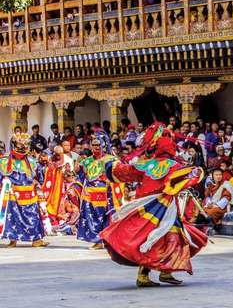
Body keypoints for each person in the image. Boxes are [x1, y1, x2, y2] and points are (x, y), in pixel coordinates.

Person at [99, 123, 207, 287]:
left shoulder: (145, 164)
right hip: (161, 207)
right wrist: (196, 171)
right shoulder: (173, 165)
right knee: (165, 238)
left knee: (154, 237)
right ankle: (147, 274)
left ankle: (164, 271)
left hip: (149, 207)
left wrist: (111, 163)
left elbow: (123, 172)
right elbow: (187, 177)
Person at [0, 133, 49, 247]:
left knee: (33, 216)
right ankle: (13, 239)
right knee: (12, 218)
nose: (22, 148)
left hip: (30, 194)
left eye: (25, 146)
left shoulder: (32, 161)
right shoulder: (4, 161)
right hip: (13, 194)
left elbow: (36, 178)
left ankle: (37, 239)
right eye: (20, 146)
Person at [77, 135, 123, 250]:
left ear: (104, 145)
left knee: (107, 217)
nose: (96, 147)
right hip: (90, 195)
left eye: (98, 144)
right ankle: (97, 241)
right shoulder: (86, 161)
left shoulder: (111, 159)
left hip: (106, 194)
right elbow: (81, 176)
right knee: (91, 217)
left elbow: (118, 175)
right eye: (94, 145)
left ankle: (109, 240)